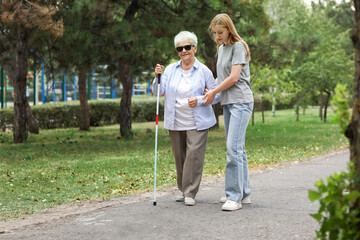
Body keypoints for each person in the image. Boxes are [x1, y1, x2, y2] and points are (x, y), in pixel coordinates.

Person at [153, 31, 220, 206]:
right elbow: (158, 91)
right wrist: (157, 78)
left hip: (198, 121)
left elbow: (216, 95)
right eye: (179, 48)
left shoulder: (203, 71)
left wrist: (198, 100)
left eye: (187, 47)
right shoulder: (170, 69)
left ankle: (190, 191)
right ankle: (183, 189)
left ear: (194, 48)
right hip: (175, 121)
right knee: (180, 157)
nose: (183, 51)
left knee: (193, 156)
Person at [204, 13, 254, 211]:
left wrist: (215, 91)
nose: (217, 37)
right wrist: (209, 91)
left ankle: (234, 197)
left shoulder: (238, 47)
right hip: (228, 102)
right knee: (238, 149)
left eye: (221, 32)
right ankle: (244, 192)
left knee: (233, 149)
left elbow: (234, 78)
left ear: (229, 29)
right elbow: (221, 77)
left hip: (241, 101)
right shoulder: (222, 49)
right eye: (215, 33)